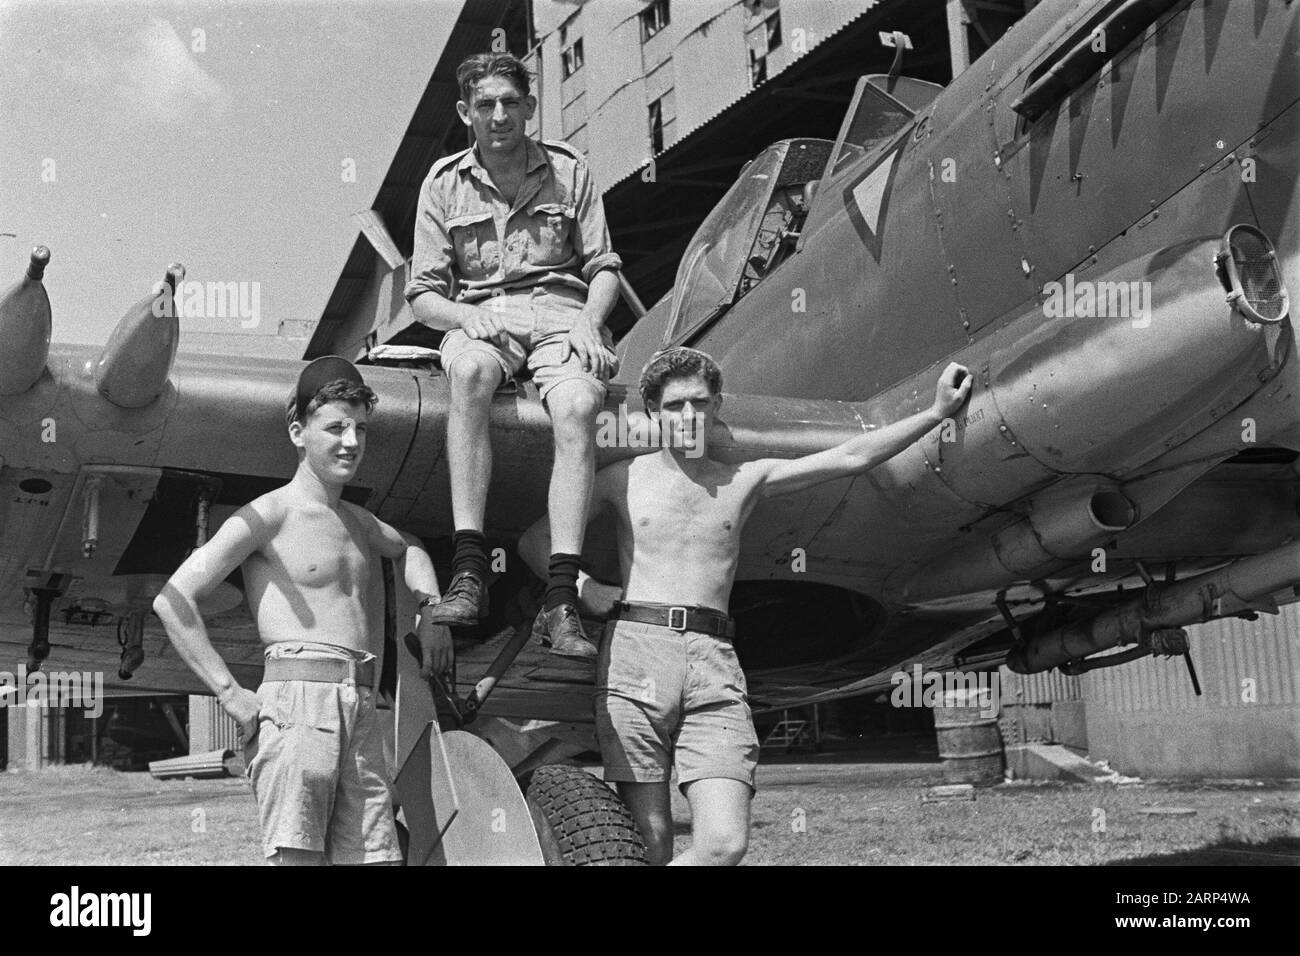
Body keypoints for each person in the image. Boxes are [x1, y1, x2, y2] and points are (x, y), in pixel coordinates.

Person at [519, 347, 973, 865]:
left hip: (715, 659)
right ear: (652, 410)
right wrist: (582, 587)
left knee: (724, 844)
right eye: (674, 406)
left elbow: (851, 456)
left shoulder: (744, 480)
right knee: (651, 844)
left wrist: (935, 413)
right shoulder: (622, 478)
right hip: (636, 654)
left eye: (699, 403)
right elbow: (535, 541)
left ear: (716, 408)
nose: (688, 417)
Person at [153, 356, 453, 866]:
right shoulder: (268, 514)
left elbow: (412, 549)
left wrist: (431, 612)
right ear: (298, 432)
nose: (351, 442)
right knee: (296, 859)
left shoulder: (360, 523)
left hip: (360, 705)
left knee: (379, 858)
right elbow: (173, 599)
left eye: (360, 428)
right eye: (335, 427)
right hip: (298, 703)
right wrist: (230, 694)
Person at [404, 52, 622, 659]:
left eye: (510, 102)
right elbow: (423, 294)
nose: (498, 115)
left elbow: (603, 267)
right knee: (469, 370)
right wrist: (464, 316)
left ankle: (561, 598)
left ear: (529, 108)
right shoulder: (442, 183)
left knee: (579, 404)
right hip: (482, 314)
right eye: (485, 104)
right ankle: (469, 571)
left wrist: (589, 322)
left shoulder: (570, 171)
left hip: (560, 313)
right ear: (464, 112)